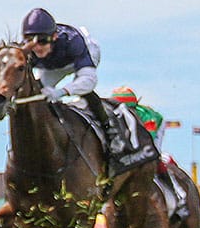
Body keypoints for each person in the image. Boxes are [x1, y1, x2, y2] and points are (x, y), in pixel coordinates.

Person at [21, 8, 124, 152]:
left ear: (54, 36)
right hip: (53, 64)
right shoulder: (26, 51)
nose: (37, 47)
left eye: (42, 41)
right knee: (39, 93)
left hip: (83, 55)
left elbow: (89, 81)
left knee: (84, 91)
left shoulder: (73, 42)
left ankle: (110, 129)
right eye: (31, 42)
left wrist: (62, 92)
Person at [112, 86, 189, 218]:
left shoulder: (147, 117)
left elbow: (148, 143)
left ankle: (179, 195)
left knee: (153, 157)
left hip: (155, 132)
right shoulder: (113, 115)